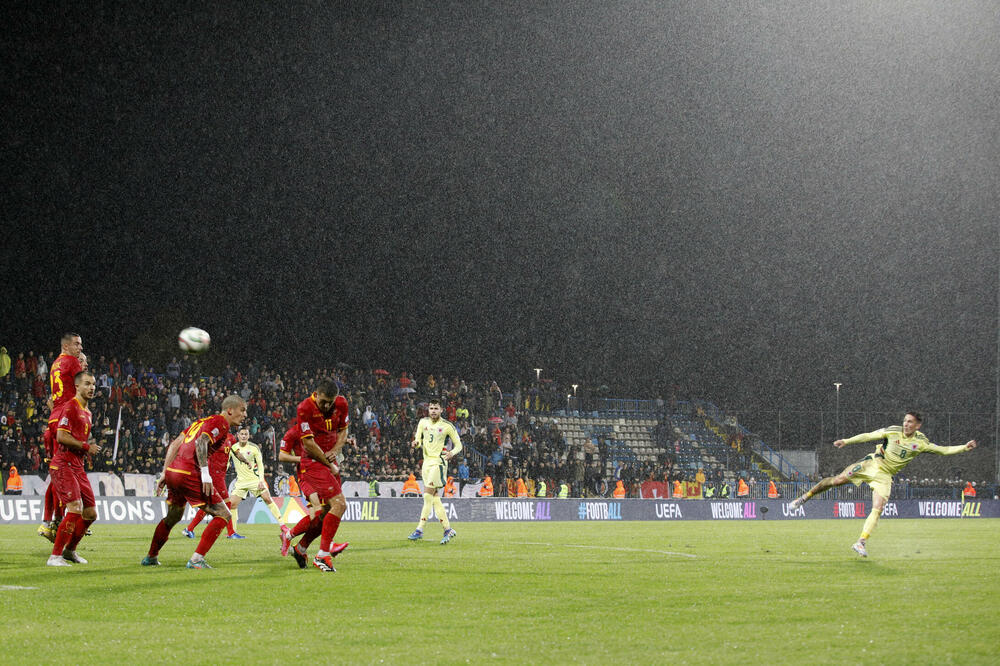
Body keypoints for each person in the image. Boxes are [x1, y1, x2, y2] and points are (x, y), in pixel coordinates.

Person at [789, 411, 978, 557]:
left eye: (910, 421)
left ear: (918, 425)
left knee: (878, 508)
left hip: (885, 476)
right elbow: (869, 436)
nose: (906, 423)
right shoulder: (892, 431)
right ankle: (804, 498)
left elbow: (943, 450)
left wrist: (964, 447)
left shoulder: (921, 443)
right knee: (837, 480)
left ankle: (861, 542)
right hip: (872, 463)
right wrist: (847, 441)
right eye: (905, 420)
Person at [141, 395, 247, 569]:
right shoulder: (221, 422)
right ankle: (196, 559)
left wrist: (164, 472)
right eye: (242, 410)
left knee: (173, 516)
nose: (244, 415)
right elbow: (202, 442)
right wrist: (205, 473)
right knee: (224, 514)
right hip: (190, 472)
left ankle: (151, 556)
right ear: (230, 410)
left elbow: (175, 444)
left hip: (174, 472)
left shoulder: (200, 422)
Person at [287, 380, 350, 572]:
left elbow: (343, 430)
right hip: (313, 462)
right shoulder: (305, 408)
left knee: (323, 513)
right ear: (315, 394)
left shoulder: (342, 404)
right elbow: (308, 445)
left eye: (329, 403)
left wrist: (336, 450)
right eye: (322, 402)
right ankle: (323, 555)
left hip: (328, 461)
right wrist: (329, 463)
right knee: (339, 505)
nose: (326, 406)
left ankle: (300, 547)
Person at [46, 371, 101, 566]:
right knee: (75, 508)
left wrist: (86, 452)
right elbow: (61, 436)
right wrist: (86, 447)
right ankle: (54, 556)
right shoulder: (70, 407)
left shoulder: (88, 413)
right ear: (77, 386)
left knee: (91, 513)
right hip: (63, 464)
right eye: (87, 384)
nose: (91, 387)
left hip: (78, 465)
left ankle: (70, 551)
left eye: (93, 384)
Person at [38, 333, 85, 541]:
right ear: (66, 345)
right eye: (76, 344)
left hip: (54, 419)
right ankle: (56, 521)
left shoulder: (56, 363)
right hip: (66, 420)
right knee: (64, 470)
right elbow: (83, 388)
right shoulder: (72, 362)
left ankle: (52, 521)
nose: (79, 348)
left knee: (58, 471)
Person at [408, 398, 462, 544]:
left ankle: (420, 529)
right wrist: (416, 443)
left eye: (436, 408)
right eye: (431, 408)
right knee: (435, 498)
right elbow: (418, 440)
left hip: (438, 463)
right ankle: (447, 529)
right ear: (428, 410)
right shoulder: (422, 422)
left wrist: (452, 453)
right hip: (426, 463)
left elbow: (459, 445)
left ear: (441, 410)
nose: (433, 411)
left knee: (427, 496)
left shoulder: (447, 426)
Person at [225, 426, 289, 541]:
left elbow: (260, 465)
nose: (244, 436)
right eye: (242, 434)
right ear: (238, 436)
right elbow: (227, 463)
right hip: (241, 482)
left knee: (268, 499)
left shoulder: (254, 448)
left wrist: (260, 480)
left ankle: (282, 525)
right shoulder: (233, 448)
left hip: (254, 480)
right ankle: (233, 532)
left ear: (249, 436)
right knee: (232, 505)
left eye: (246, 434)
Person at [181, 433, 239, 540]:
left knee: (211, 505)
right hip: (214, 474)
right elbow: (201, 448)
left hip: (221, 474)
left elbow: (235, 451)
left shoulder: (231, 438)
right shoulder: (213, 437)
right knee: (226, 503)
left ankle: (189, 529)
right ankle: (231, 533)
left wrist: (244, 461)